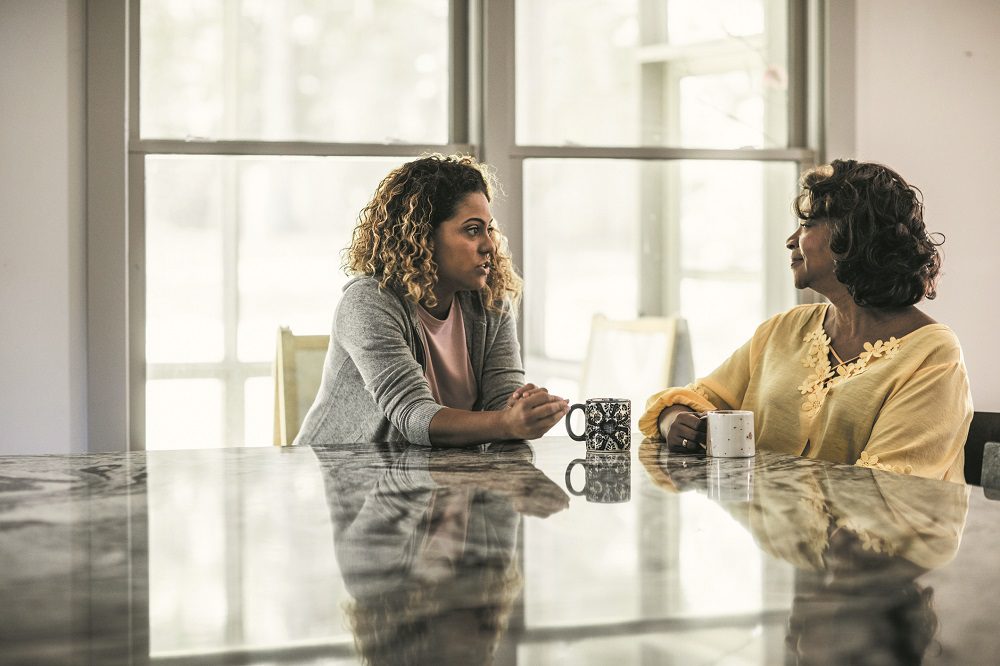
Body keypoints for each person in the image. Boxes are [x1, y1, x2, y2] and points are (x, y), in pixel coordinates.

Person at [638, 159, 973, 482]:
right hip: (778, 537)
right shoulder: (783, 330)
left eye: (808, 224)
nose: (790, 240)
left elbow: (886, 491)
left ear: (855, 236)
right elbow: (696, 399)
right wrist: (673, 420)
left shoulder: (933, 355)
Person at [295, 154, 568, 447]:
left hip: (431, 479)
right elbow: (415, 415)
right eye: (473, 229)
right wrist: (508, 423)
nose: (489, 245)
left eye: (489, 229)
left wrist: (523, 410)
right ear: (424, 236)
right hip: (341, 478)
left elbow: (503, 405)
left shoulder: (490, 301)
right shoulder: (368, 303)